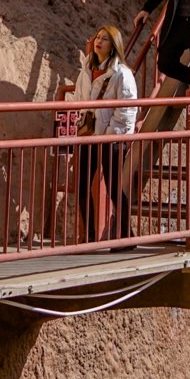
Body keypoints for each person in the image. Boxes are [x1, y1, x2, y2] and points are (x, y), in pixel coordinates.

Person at [71, 26, 138, 242]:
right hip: (88, 134)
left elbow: (127, 110)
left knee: (114, 188)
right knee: (82, 185)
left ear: (114, 45)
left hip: (111, 138)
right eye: (97, 37)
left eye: (105, 39)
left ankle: (127, 235)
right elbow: (79, 101)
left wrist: (109, 134)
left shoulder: (122, 74)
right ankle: (89, 237)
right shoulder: (86, 70)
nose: (99, 41)